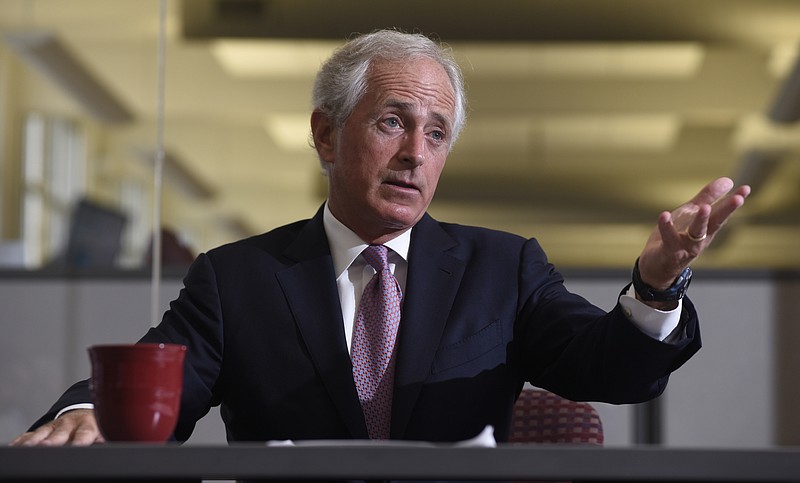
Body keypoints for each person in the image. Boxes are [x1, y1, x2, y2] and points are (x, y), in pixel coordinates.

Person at [11, 29, 749, 448]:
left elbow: (612, 371)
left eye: (435, 135)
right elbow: (160, 382)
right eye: (392, 122)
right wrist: (83, 413)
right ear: (325, 135)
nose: (414, 154)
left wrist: (655, 285)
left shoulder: (504, 267)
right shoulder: (238, 279)